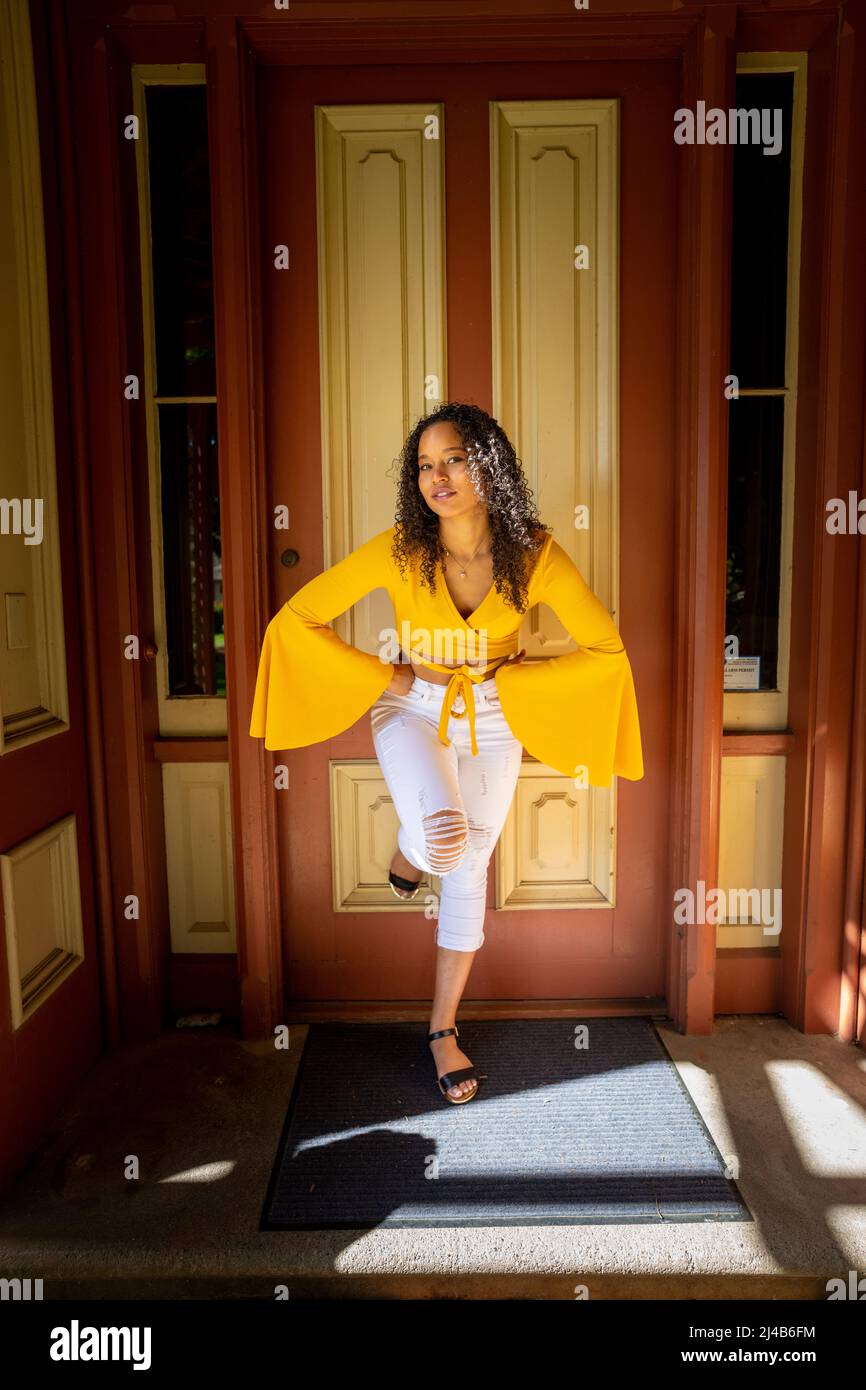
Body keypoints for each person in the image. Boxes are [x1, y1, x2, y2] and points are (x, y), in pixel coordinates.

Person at [249, 402, 644, 1104]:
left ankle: (441, 1030)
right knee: (443, 837)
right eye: (425, 465)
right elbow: (298, 620)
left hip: (495, 717)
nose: (438, 476)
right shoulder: (401, 549)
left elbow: (606, 649)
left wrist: (518, 679)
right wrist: (388, 673)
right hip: (413, 709)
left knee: (470, 860)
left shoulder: (535, 553)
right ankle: (413, 852)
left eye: (453, 459)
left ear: (488, 465)